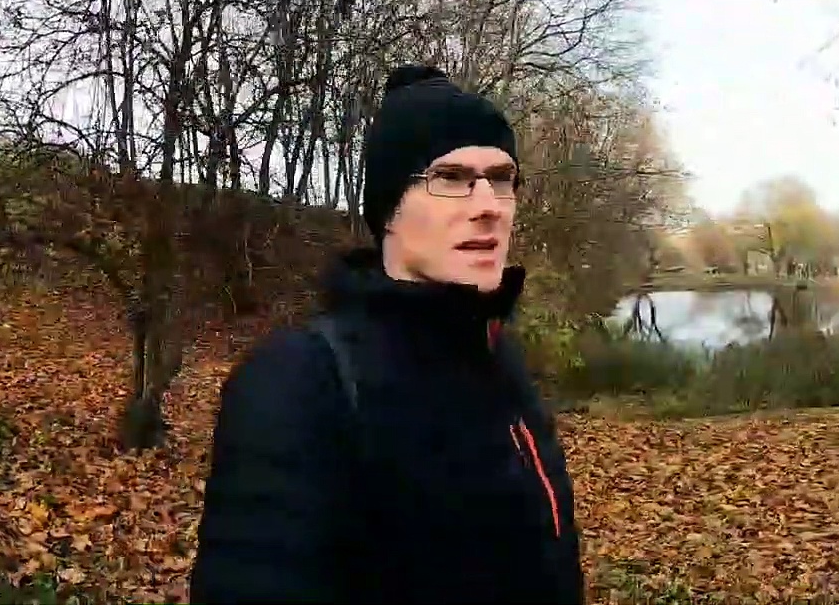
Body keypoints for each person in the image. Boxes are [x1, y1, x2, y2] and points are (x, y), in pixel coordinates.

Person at [189, 64, 583, 604]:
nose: (488, 206)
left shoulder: (500, 359)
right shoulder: (302, 381)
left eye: (501, 178)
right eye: (451, 178)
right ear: (389, 209)